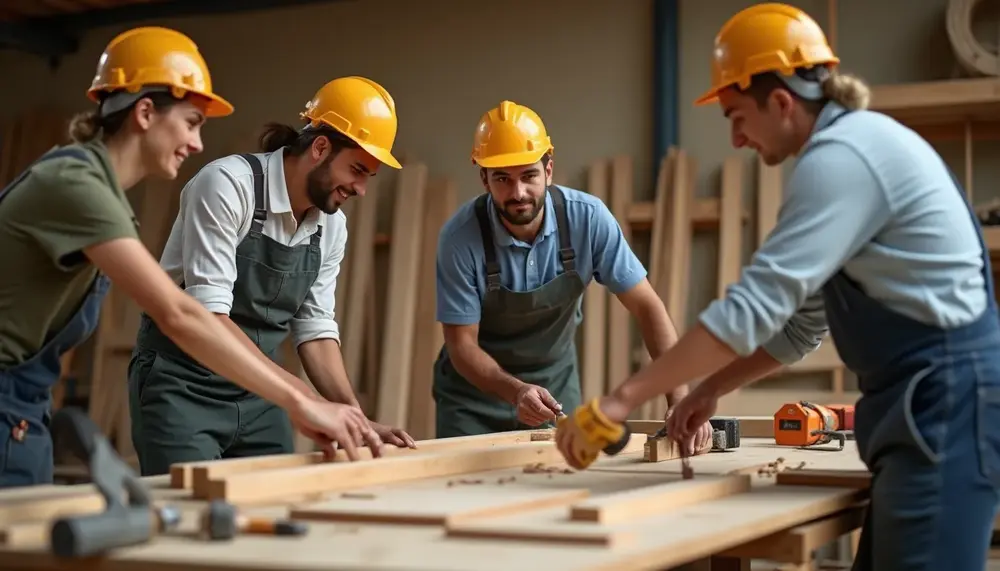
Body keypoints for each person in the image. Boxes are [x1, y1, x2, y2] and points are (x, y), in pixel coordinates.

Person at [554, 4, 1000, 570]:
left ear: (783, 102)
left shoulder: (842, 160)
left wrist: (619, 402)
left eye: (736, 115)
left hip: (948, 406)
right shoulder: (849, 151)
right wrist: (709, 389)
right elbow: (801, 325)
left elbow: (748, 311)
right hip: (922, 408)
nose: (736, 138)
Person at [0, 27, 383, 488]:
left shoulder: (102, 192)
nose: (199, 143)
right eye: (191, 122)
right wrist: (301, 399)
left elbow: (313, 327)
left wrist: (348, 414)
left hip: (26, 397)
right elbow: (181, 312)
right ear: (145, 113)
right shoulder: (76, 185)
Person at [128, 76, 416, 476]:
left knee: (277, 507)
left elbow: (315, 330)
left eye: (368, 176)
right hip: (183, 384)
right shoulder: (228, 185)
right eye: (357, 170)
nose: (361, 189)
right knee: (189, 518)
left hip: (260, 392)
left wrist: (355, 418)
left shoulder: (330, 227)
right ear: (320, 147)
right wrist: (304, 399)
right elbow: (210, 318)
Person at [432, 100, 709, 443]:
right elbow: (462, 346)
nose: (518, 193)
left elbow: (647, 307)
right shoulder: (459, 239)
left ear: (548, 170)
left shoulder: (587, 220)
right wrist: (516, 390)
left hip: (554, 391)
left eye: (529, 175)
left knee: (555, 485)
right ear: (484, 179)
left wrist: (680, 398)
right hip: (471, 399)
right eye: (502, 179)